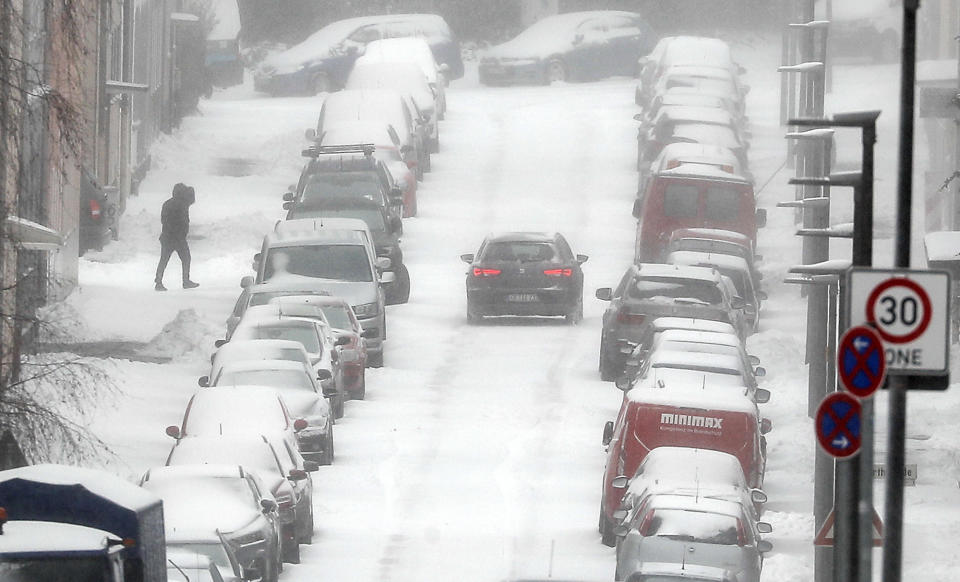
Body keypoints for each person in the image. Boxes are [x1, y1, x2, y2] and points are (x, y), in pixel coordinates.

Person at [155, 183, 199, 291]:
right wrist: (181, 233)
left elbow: (163, 220)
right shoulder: (182, 205)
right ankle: (185, 281)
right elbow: (184, 222)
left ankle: (158, 281)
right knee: (186, 259)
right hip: (177, 238)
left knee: (164, 260)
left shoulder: (167, 203)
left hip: (167, 237)